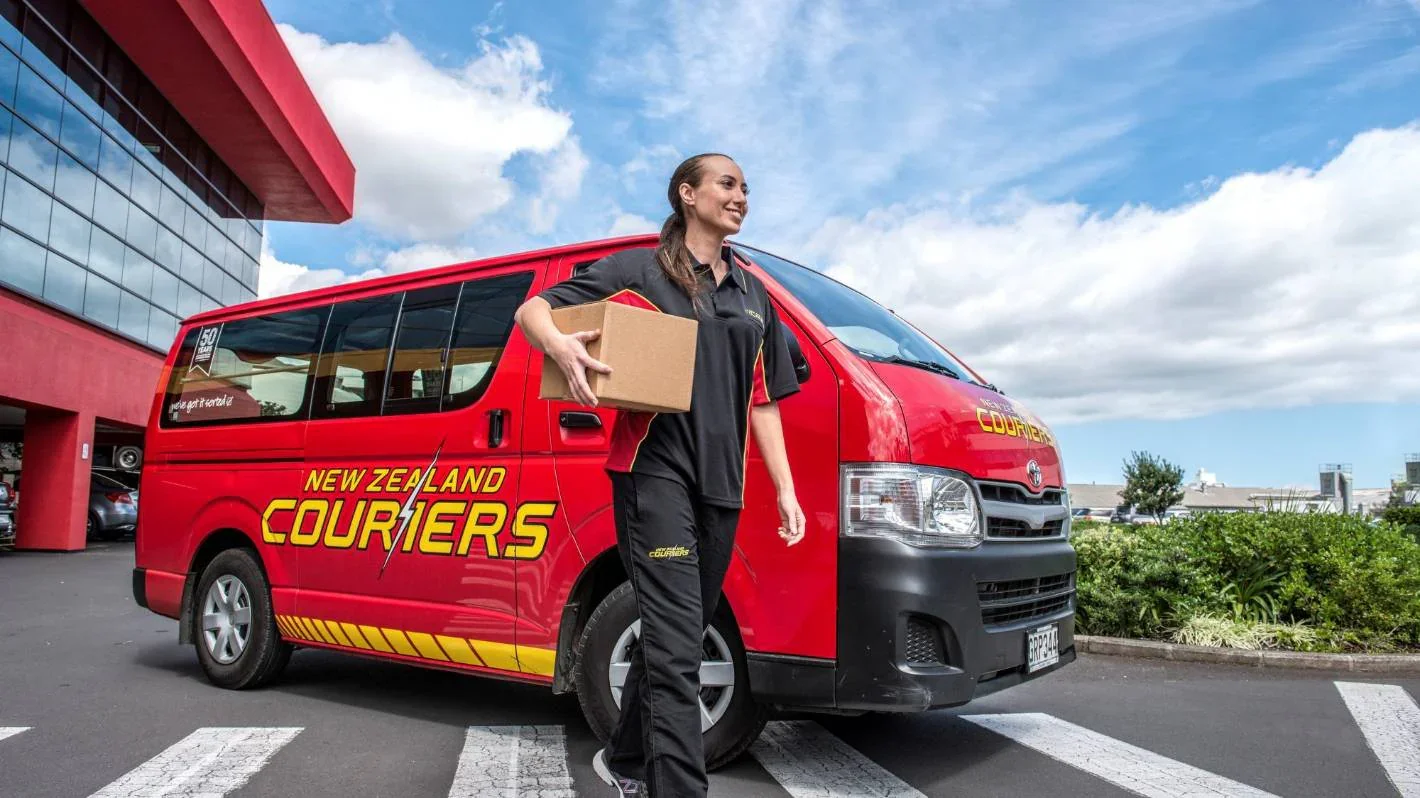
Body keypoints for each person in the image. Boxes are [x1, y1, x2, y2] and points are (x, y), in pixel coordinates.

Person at [514, 153, 805, 797]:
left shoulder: (753, 294)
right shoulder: (642, 269)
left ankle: (624, 759)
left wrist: (786, 490)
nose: (741, 196)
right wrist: (560, 345)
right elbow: (534, 309)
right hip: (653, 475)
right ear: (687, 194)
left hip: (722, 485)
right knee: (678, 652)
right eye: (727, 184)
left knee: (677, 634)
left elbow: (763, 400)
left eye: (746, 187)